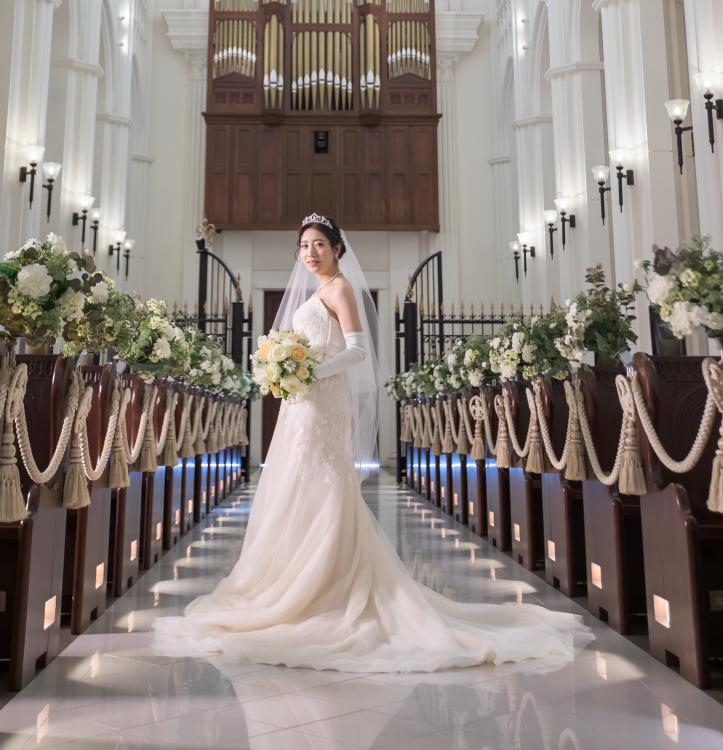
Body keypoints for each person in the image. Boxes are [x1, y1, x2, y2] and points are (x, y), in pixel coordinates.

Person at [152, 214, 593, 674]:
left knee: (323, 487)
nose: (310, 252)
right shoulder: (313, 292)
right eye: (304, 245)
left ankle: (326, 585)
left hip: (323, 403)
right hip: (301, 405)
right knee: (293, 487)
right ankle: (287, 579)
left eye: (319, 244)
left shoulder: (340, 289)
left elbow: (358, 351)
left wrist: (306, 371)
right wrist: (281, 367)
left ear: (337, 248)